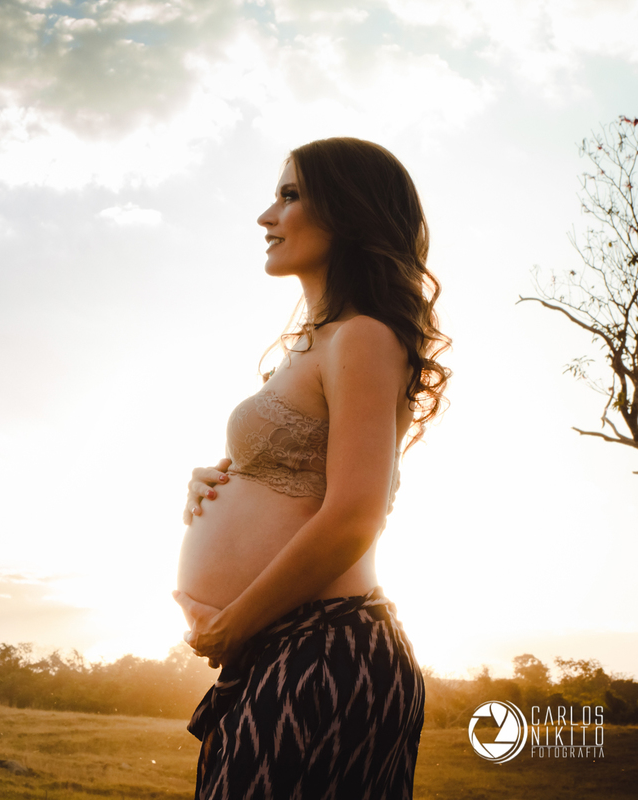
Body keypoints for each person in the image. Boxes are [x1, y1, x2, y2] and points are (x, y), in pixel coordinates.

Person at [172, 137, 451, 799]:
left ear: (347, 212)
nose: (267, 217)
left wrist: (237, 619)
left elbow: (357, 513)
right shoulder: (318, 343)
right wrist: (225, 477)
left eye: (290, 195)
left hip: (325, 651)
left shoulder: (363, 335)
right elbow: (308, 471)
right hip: (288, 651)